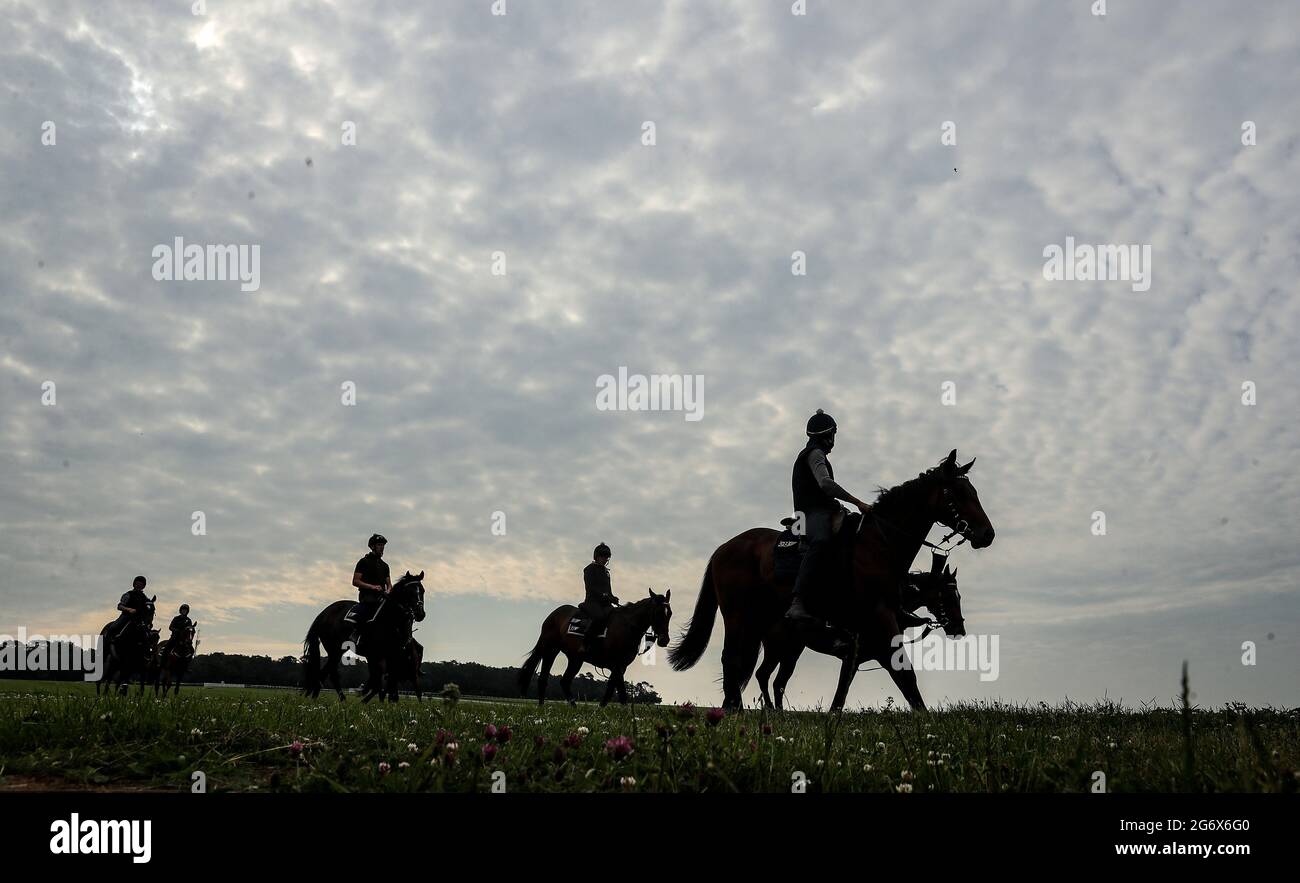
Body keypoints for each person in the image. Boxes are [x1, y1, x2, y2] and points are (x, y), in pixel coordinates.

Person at [785, 410, 873, 656]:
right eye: (834, 433)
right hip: (810, 516)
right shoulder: (814, 454)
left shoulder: (816, 453)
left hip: (820, 512)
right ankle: (798, 602)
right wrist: (857, 502)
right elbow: (825, 484)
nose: (835, 438)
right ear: (828, 435)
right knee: (822, 541)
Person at [350, 534, 392, 651]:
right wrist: (372, 587)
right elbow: (355, 581)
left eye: (383, 545)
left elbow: (389, 584)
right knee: (367, 610)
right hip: (367, 596)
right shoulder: (363, 562)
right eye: (379, 545)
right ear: (372, 547)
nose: (382, 547)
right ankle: (356, 634)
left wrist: (388, 590)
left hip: (382, 598)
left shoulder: (385, 566)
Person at [578, 543, 619, 654]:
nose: (604, 559)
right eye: (602, 556)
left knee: (617, 616)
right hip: (592, 602)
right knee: (599, 617)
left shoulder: (606, 572)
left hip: (605, 604)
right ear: (596, 556)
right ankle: (584, 644)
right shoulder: (589, 569)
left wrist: (613, 597)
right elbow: (591, 588)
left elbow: (608, 591)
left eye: (606, 557)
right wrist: (605, 596)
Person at [106, 576, 151, 645]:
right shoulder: (128, 594)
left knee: (149, 634)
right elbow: (120, 606)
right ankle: (108, 643)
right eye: (137, 583)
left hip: (139, 619)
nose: (139, 585)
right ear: (134, 584)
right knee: (113, 627)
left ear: (143, 586)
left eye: (141, 584)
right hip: (127, 616)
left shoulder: (145, 598)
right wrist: (129, 609)